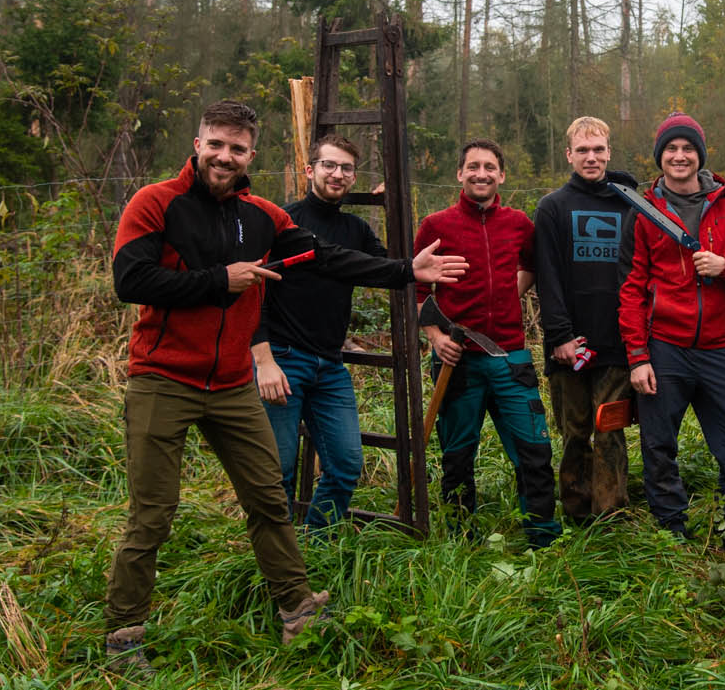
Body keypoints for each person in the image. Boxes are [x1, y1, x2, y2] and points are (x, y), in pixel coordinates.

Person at [104, 101, 466, 672]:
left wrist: (405, 271)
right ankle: (125, 635)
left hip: (228, 385)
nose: (226, 156)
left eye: (238, 148)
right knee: (153, 512)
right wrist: (222, 280)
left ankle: (297, 609)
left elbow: (324, 257)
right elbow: (130, 280)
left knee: (270, 498)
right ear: (197, 143)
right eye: (216, 144)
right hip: (162, 378)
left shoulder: (264, 218)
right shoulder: (155, 202)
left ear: (252, 154)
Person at [619, 112, 725, 550]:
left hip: (718, 349)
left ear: (700, 156)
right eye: (671, 149)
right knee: (659, 445)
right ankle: (673, 532)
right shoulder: (643, 212)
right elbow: (630, 290)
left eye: (687, 149)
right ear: (660, 157)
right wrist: (638, 357)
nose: (679, 156)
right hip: (665, 347)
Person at [414, 138, 562, 547]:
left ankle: (543, 537)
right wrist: (436, 336)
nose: (482, 174)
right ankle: (462, 537)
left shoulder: (518, 223)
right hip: (456, 361)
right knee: (458, 453)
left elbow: (531, 265)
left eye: (490, 167)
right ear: (459, 173)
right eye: (473, 166)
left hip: (510, 355)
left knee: (534, 448)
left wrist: (508, 295)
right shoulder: (435, 226)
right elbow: (416, 287)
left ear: (502, 175)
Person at [253, 133, 394, 529]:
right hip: (282, 359)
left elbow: (388, 269)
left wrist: (392, 208)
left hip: (330, 365)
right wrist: (262, 359)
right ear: (310, 169)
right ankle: (279, 561)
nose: (338, 174)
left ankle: (317, 544)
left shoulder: (355, 229)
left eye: (346, 168)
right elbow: (253, 295)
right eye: (329, 165)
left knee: (346, 464)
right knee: (277, 470)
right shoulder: (283, 220)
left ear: (354, 177)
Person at [534, 117, 638, 524]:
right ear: (569, 155)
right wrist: (559, 335)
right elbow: (548, 276)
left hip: (617, 340)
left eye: (598, 150)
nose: (591, 158)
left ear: (609, 152)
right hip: (570, 346)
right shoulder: (553, 207)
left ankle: (611, 514)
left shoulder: (628, 202)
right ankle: (578, 516)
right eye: (583, 150)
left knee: (609, 430)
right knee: (575, 433)